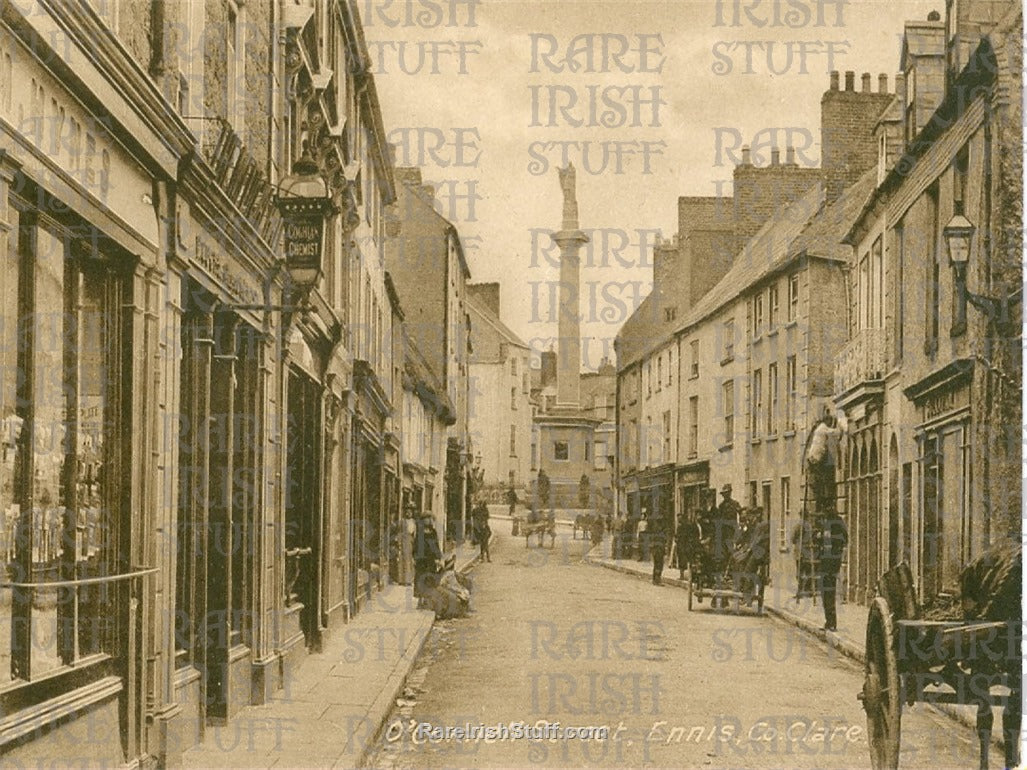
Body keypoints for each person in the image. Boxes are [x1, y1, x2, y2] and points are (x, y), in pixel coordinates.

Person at [805, 408, 847, 513]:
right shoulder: (823, 428)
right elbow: (835, 432)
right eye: (830, 422)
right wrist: (841, 427)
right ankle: (824, 503)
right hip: (816, 460)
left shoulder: (818, 428)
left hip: (812, 458)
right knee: (822, 481)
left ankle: (822, 501)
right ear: (827, 421)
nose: (830, 424)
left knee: (818, 482)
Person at [815, 508, 848, 631]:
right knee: (827, 592)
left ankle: (831, 622)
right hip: (830, 562)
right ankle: (829, 622)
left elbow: (841, 540)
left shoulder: (833, 525)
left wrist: (821, 536)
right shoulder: (835, 524)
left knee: (828, 592)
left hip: (830, 563)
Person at [413, 515, 443, 610]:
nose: (427, 521)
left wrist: (438, 558)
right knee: (420, 579)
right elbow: (415, 545)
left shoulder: (433, 532)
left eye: (429, 519)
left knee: (429, 579)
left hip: (430, 560)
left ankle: (427, 602)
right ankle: (420, 601)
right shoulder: (419, 532)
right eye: (425, 519)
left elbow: (436, 545)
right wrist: (414, 557)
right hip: (421, 560)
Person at [649, 519, 667, 585]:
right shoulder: (661, 534)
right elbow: (662, 543)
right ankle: (657, 580)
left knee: (656, 565)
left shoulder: (655, 533)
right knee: (659, 565)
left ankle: (654, 579)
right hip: (659, 551)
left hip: (655, 551)